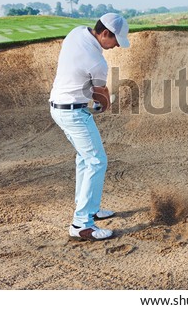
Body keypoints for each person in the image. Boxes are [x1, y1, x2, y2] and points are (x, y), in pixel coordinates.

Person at [49, 13, 130, 241]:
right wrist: (106, 104)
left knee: (85, 158)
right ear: (105, 33)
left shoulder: (76, 32)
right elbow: (101, 97)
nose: (115, 46)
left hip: (59, 108)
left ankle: (89, 208)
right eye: (115, 41)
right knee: (96, 160)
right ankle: (81, 224)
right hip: (74, 113)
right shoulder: (98, 62)